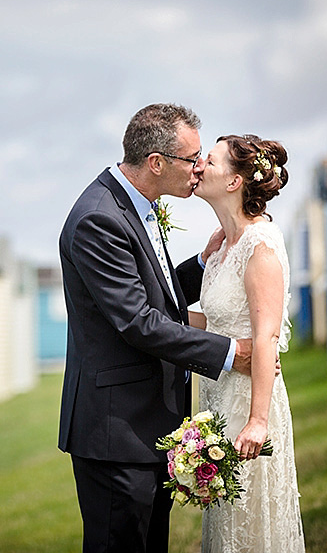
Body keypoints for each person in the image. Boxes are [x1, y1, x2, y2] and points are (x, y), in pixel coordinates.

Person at [58, 103, 255, 553]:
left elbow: (154, 293)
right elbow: (140, 322)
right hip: (116, 433)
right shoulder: (98, 219)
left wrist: (202, 263)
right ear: (157, 163)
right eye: (193, 157)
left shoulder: (134, 202)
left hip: (145, 427)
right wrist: (229, 353)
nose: (199, 166)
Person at [191, 134, 305, 552]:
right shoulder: (221, 249)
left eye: (211, 161)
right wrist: (150, 314)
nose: (199, 166)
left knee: (251, 525)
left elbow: (266, 336)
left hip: (248, 401)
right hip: (217, 397)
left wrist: (258, 420)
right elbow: (216, 321)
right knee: (226, 527)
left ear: (236, 182)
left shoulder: (261, 245)